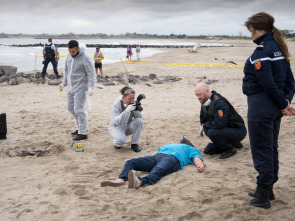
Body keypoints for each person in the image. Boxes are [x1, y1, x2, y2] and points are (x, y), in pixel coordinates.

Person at [241, 12, 295, 209]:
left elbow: (268, 84)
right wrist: (286, 100)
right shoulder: (279, 48)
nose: (251, 35)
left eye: (251, 31)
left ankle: (263, 196)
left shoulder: (262, 51)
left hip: (262, 107)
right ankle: (267, 189)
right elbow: (290, 82)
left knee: (262, 150)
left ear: (256, 29)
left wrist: (282, 104)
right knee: (270, 147)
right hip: (272, 106)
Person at [101, 136, 204, 188]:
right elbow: (154, 156)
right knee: (131, 162)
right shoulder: (170, 145)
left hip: (173, 159)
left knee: (158, 169)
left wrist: (199, 165)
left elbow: (195, 158)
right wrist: (136, 161)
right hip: (158, 156)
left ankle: (140, 182)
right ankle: (121, 180)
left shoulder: (191, 148)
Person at [195, 82, 247, 159]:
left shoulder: (219, 102)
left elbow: (220, 123)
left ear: (207, 91)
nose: (198, 97)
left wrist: (205, 127)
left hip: (238, 130)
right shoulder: (204, 102)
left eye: (200, 94)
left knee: (211, 131)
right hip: (224, 131)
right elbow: (202, 119)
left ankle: (229, 149)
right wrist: (204, 127)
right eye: (196, 95)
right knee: (208, 151)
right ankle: (233, 143)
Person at [60, 40, 96, 141]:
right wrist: (64, 83)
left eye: (73, 52)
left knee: (79, 110)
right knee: (70, 108)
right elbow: (66, 70)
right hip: (71, 86)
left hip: (81, 86)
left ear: (78, 49)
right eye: (70, 51)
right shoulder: (68, 56)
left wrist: (91, 88)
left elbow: (91, 74)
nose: (71, 54)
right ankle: (79, 127)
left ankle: (83, 133)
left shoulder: (86, 59)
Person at [108, 86, 143, 152]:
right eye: (130, 98)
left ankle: (134, 144)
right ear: (124, 96)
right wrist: (127, 110)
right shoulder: (116, 104)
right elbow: (118, 122)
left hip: (127, 126)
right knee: (121, 140)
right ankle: (117, 144)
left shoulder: (133, 102)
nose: (132, 100)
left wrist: (136, 110)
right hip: (116, 127)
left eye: (133, 98)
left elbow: (139, 117)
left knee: (139, 121)